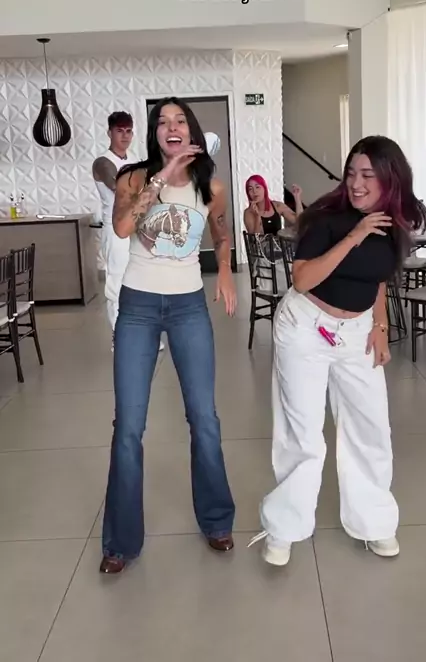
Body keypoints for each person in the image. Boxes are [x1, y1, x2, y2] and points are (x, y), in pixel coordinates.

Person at [249, 136, 426, 567]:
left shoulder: (396, 221)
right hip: (306, 327)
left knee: (371, 426)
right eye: (352, 174)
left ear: (391, 179)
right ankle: (284, 528)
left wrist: (380, 325)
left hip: (357, 331)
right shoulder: (326, 218)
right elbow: (303, 280)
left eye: (368, 175)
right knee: (303, 434)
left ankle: (374, 522)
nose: (357, 184)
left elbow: (379, 277)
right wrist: (355, 235)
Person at [100, 97, 237, 574]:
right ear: (155, 133)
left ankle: (217, 520)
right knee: (128, 425)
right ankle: (120, 542)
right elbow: (123, 227)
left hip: (188, 308)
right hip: (137, 307)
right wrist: (163, 176)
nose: (171, 126)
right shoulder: (134, 178)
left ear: (191, 130)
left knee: (204, 418)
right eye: (162, 121)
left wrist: (225, 269)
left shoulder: (211, 186)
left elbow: (220, 232)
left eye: (179, 120)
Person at [92, 112, 164, 349]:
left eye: (128, 131)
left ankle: (146, 334)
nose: (125, 136)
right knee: (118, 282)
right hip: (115, 229)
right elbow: (123, 189)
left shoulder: (134, 161)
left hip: (138, 228)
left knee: (142, 280)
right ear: (109, 132)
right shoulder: (103, 163)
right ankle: (120, 337)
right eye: (119, 131)